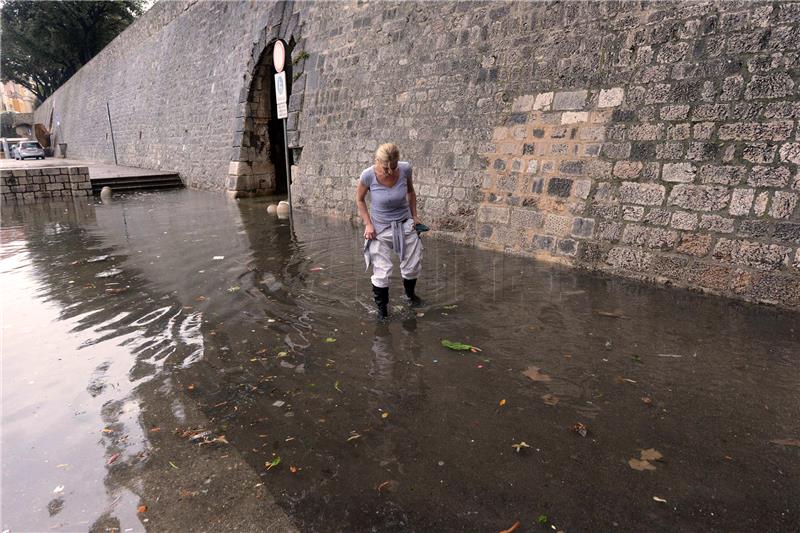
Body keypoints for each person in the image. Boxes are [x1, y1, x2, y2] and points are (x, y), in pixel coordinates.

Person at [356, 143, 423, 319]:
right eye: (386, 168)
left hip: (404, 222)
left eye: (393, 167)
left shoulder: (405, 169)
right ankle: (382, 311)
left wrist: (414, 217)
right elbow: (360, 200)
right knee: (382, 270)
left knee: (412, 264)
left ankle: (410, 296)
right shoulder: (368, 175)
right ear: (377, 161)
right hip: (380, 227)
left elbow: (411, 192)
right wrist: (368, 224)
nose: (390, 172)